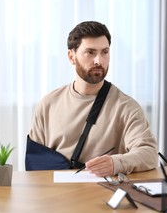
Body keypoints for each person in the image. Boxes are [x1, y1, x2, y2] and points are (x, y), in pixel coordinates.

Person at [27, 21, 158, 177]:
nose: (99, 61)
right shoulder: (48, 104)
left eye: (104, 52)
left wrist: (116, 163)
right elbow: (34, 162)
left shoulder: (126, 107)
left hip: (102, 195)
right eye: (90, 52)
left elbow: (149, 153)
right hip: (55, 196)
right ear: (71, 56)